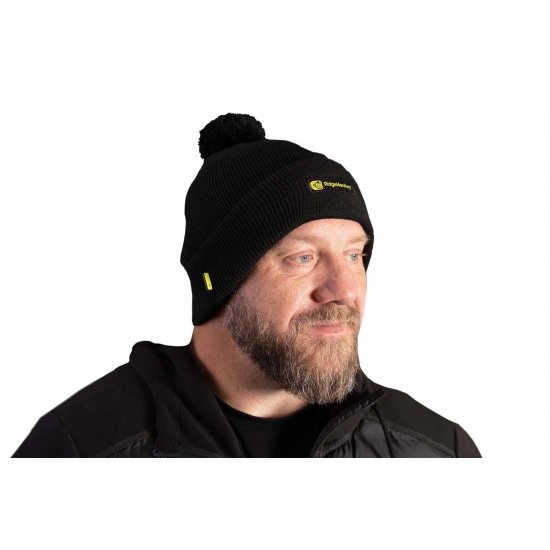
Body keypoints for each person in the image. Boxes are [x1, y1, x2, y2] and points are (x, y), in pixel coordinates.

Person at [12, 113, 481, 458]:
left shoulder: (437, 452)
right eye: (303, 257)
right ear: (220, 279)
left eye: (354, 255)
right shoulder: (80, 449)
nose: (343, 290)